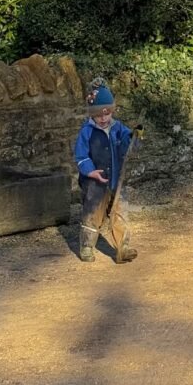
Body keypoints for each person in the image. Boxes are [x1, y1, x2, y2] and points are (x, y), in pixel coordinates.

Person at [74, 79, 138, 264]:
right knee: (93, 214)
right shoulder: (86, 132)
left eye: (107, 114)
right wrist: (90, 171)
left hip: (115, 180)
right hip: (95, 184)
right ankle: (86, 246)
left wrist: (134, 136)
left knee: (119, 212)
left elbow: (127, 145)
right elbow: (80, 156)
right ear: (92, 115)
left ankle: (122, 247)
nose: (103, 119)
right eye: (99, 115)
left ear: (111, 111)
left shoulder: (118, 128)